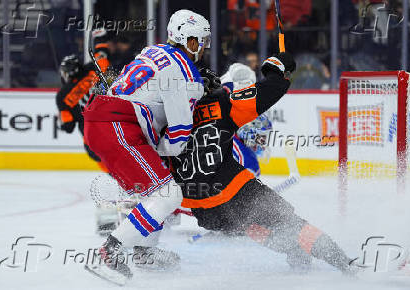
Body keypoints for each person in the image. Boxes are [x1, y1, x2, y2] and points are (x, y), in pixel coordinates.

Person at [169, 52, 359, 274]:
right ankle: (344, 263)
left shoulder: (167, 119)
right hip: (233, 191)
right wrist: (276, 69)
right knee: (291, 223)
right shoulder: (222, 104)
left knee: (252, 226)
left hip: (203, 211)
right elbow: (271, 89)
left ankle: (294, 251)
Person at [82, 9, 210, 285]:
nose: (201, 47)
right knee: (168, 193)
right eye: (197, 41)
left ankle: (144, 252)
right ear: (184, 38)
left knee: (153, 193)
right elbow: (178, 137)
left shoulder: (154, 52)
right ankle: (109, 253)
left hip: (105, 121)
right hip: (117, 125)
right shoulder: (182, 70)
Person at [55, 29, 113, 172]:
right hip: (113, 123)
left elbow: (68, 127)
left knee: (97, 156)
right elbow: (103, 53)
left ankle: (121, 181)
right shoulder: (93, 68)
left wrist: (61, 124)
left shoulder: (62, 96)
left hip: (91, 135)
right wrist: (100, 39)